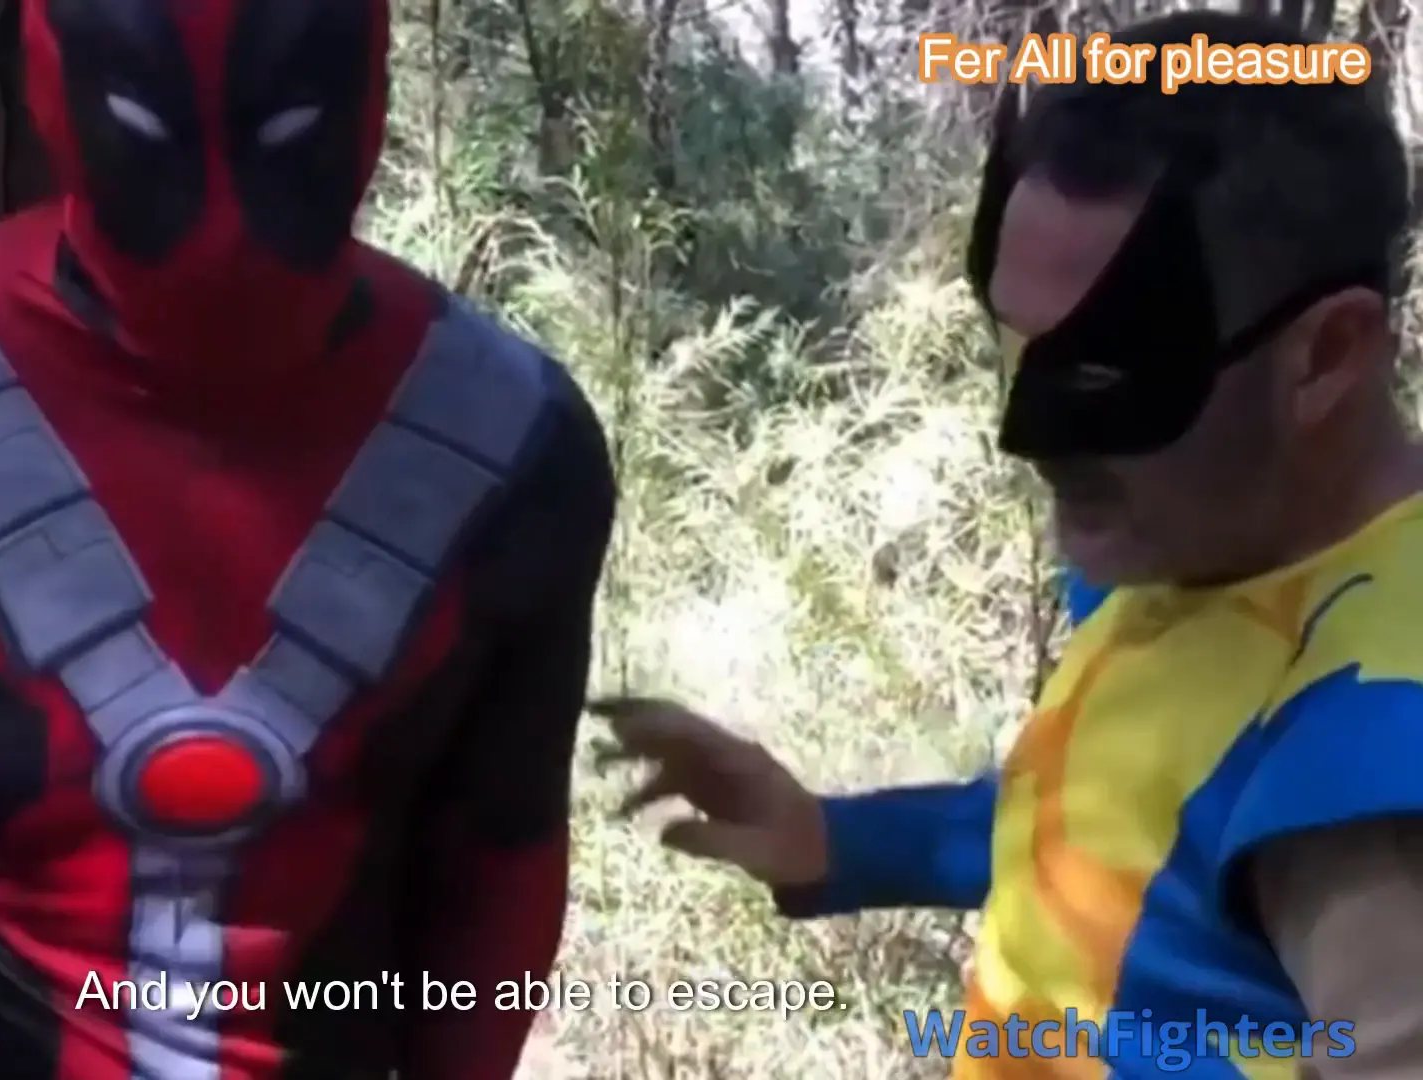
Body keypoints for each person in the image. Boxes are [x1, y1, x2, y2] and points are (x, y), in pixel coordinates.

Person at [0, 0, 616, 1076]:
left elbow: (494, 886)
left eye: (281, 113)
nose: (223, 214)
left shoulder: (514, 445)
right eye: (156, 111)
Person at [596, 11, 1423, 1078]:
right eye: (1018, 348)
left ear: (1326, 356)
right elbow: (1107, 823)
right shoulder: (1198, 542)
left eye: (1102, 373)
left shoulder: (1365, 740)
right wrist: (833, 840)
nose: (1027, 437)